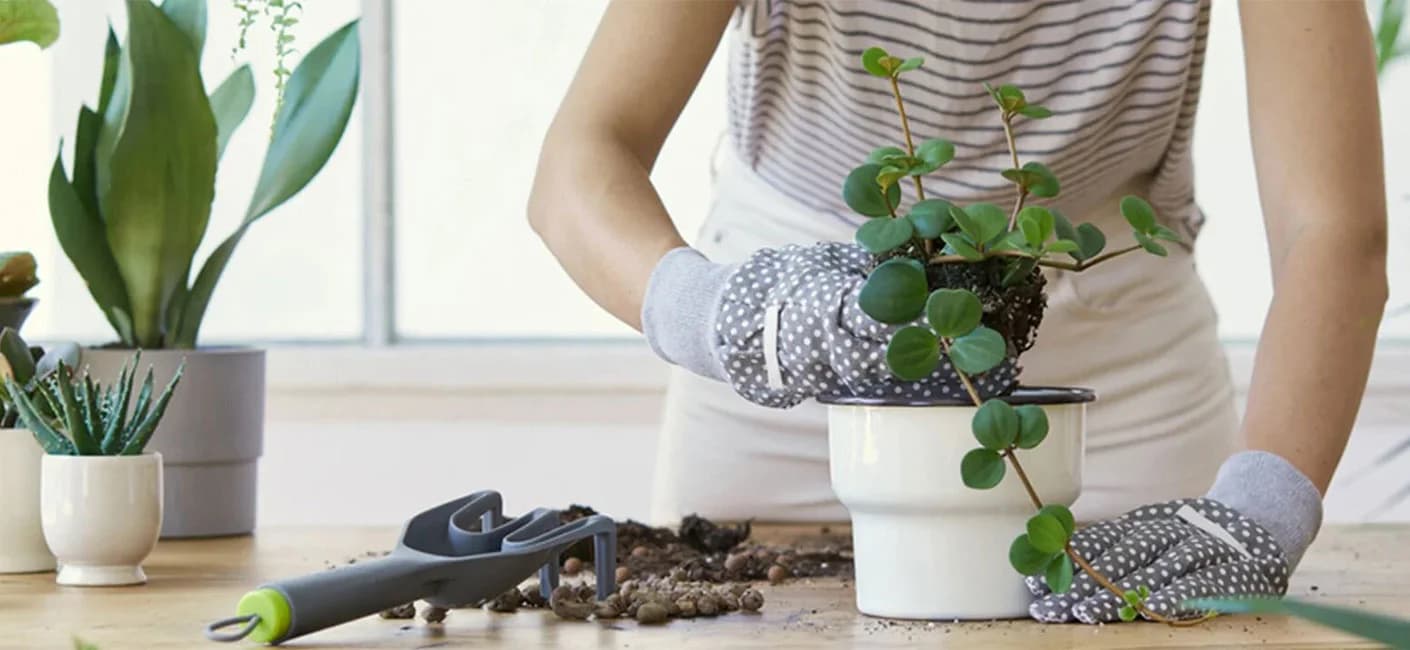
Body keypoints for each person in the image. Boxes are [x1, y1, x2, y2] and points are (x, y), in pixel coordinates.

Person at [528, 0, 1387, 623]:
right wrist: (713, 311)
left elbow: (1332, 228)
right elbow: (581, 159)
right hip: (791, 342)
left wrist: (1266, 500)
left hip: (1114, 368)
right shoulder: (767, 323)